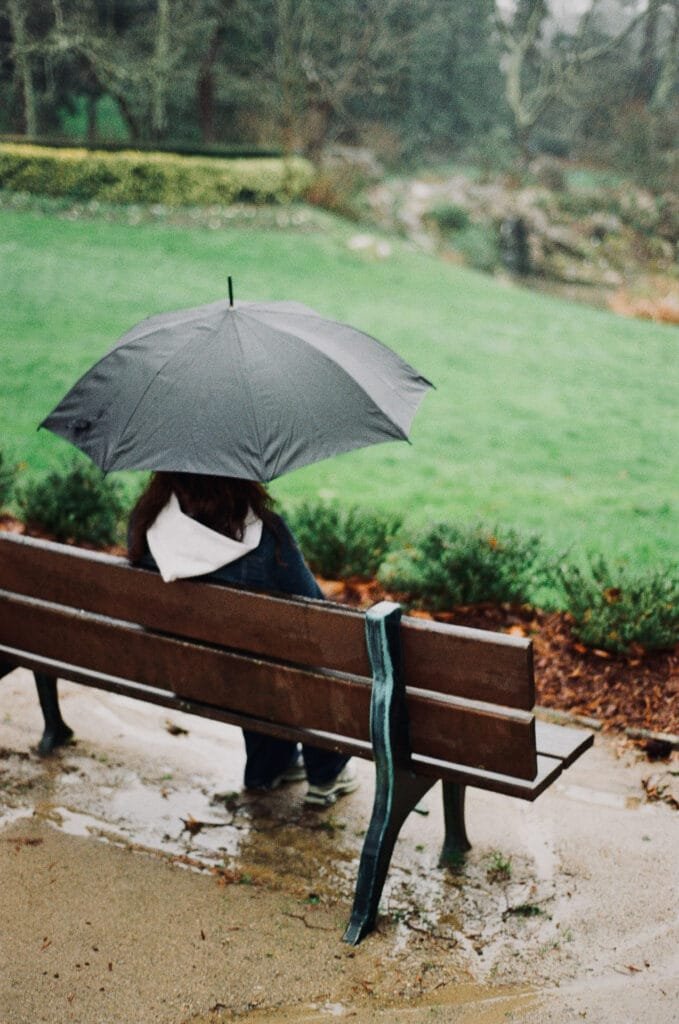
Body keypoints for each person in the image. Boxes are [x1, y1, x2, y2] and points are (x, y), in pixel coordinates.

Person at [127, 471, 357, 807]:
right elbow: (317, 617)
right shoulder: (267, 535)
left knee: (257, 661)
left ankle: (269, 768)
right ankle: (327, 773)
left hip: (183, 675)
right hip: (254, 682)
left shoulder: (147, 520)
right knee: (304, 662)